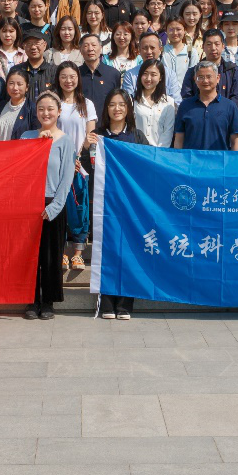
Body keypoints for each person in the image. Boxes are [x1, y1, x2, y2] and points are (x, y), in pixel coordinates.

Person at [95, 88, 149, 320]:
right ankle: (107, 302)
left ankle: (125, 304)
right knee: (107, 251)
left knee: (129, 251)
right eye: (112, 104)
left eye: (121, 104)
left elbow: (149, 165)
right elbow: (86, 167)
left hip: (130, 204)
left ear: (128, 109)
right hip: (104, 203)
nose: (117, 109)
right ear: (106, 109)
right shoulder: (97, 135)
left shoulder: (137, 136)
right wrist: (86, 148)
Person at [21, 92, 75, 320]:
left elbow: (66, 178)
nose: (46, 113)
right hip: (29, 205)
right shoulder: (26, 137)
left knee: (51, 257)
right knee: (29, 256)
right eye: (41, 109)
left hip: (52, 204)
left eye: (50, 109)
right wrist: (38, 145)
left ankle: (48, 302)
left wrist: (54, 208)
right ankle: (31, 300)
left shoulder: (66, 141)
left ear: (59, 112)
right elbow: (21, 169)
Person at [53, 61, 97, 271]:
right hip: (56, 166)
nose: (68, 81)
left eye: (72, 76)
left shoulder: (86, 104)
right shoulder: (53, 102)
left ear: (78, 79)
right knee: (60, 209)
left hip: (79, 165)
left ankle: (78, 254)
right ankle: (61, 252)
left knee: (80, 209)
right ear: (58, 79)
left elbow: (91, 135)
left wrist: (77, 156)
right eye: (63, 76)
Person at [173, 61, 238, 151]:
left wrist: (234, 158)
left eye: (209, 77)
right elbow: (179, 138)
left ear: (218, 78)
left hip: (220, 158)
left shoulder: (230, 106)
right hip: (191, 159)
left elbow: (235, 140)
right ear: (195, 79)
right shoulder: (185, 106)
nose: (205, 81)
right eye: (200, 77)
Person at [180, 30, 238, 107]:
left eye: (217, 44)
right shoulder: (193, 72)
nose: (213, 48)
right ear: (203, 47)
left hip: (226, 113)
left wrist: (222, 111)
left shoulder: (232, 70)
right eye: (209, 44)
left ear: (223, 46)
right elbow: (187, 97)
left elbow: (237, 98)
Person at [133, 57, 176, 147]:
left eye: (153, 74)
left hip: (159, 151)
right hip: (137, 150)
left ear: (160, 77)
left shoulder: (168, 102)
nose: (148, 78)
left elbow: (168, 131)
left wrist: (158, 151)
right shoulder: (133, 100)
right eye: (145, 74)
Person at [9, 31, 57, 104]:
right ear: (23, 46)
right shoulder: (16, 70)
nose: (33, 47)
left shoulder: (54, 70)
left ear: (45, 45)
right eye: (29, 43)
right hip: (22, 110)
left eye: (37, 43)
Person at [77, 34, 121, 111]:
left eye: (94, 45)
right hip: (81, 117)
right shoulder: (76, 74)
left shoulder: (113, 74)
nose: (90, 49)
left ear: (100, 48)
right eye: (86, 46)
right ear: (80, 50)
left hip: (105, 118)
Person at [0, 69, 38, 141]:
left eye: (19, 84)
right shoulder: (1, 106)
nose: (15, 88)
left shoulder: (32, 109)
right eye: (11, 83)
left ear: (27, 87)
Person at [160, 19, 195, 104]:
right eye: (171, 29)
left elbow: (194, 76)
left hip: (187, 98)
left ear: (184, 30)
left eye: (178, 29)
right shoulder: (161, 52)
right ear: (166, 31)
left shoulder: (191, 52)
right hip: (164, 98)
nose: (175, 33)